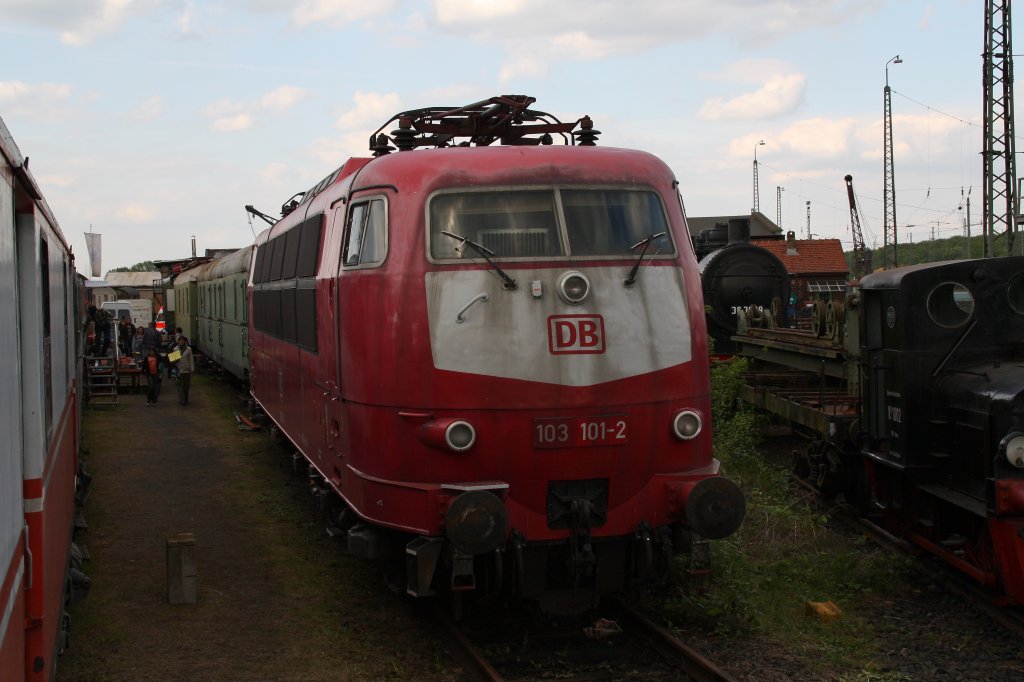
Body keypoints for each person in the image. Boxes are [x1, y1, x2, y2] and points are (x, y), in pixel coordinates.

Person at [171, 335, 195, 406]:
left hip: (187, 370)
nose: (181, 341)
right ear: (178, 341)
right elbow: (173, 361)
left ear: (185, 341)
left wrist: (192, 369)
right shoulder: (175, 349)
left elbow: (191, 360)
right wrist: (175, 359)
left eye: (182, 340)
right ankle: (182, 400)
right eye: (180, 340)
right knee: (180, 386)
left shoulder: (188, 349)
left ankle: (185, 398)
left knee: (186, 386)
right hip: (179, 370)